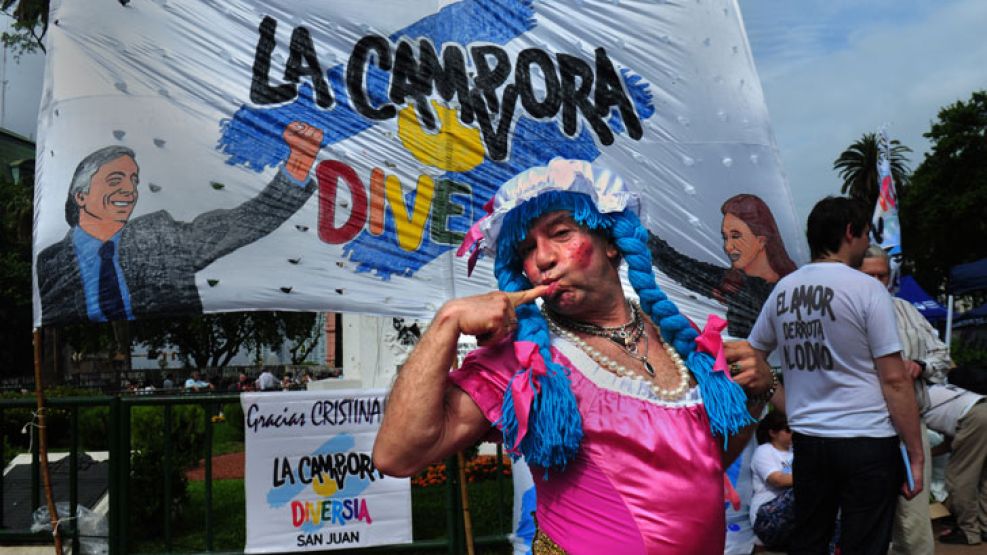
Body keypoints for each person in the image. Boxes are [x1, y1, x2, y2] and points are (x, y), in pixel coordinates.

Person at [373, 159, 774, 554]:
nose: (543, 259)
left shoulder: (677, 335)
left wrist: (757, 392)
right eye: (527, 249)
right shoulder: (522, 358)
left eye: (561, 234)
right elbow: (397, 455)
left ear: (612, 243)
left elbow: (703, 462)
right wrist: (446, 323)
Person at [747, 196, 924, 555]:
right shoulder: (868, 288)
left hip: (809, 443)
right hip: (867, 440)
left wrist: (782, 398)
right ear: (849, 232)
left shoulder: (783, 291)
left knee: (810, 540)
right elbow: (894, 380)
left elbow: (753, 359)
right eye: (863, 234)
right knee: (865, 544)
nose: (863, 243)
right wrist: (916, 453)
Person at [36, 121, 323, 326]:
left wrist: (296, 166)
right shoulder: (49, 264)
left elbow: (241, 223)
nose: (129, 190)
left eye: (133, 180)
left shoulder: (161, 236)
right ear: (81, 196)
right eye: (115, 180)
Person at [860, 244, 944, 553]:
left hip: (910, 424)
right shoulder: (840, 314)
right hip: (863, 428)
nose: (875, 282)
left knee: (914, 520)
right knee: (870, 520)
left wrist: (920, 366)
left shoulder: (904, 309)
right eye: (868, 275)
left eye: (881, 276)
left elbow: (941, 354)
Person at [648, 194, 797, 338]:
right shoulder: (732, 283)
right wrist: (641, 235)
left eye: (736, 236)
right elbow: (678, 264)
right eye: (725, 238)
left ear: (761, 240)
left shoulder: (792, 288)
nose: (728, 246)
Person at [749, 410, 794, 551]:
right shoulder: (764, 451)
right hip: (767, 514)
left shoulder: (797, 451)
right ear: (773, 432)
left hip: (791, 516)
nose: (793, 433)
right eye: (788, 429)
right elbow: (777, 480)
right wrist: (813, 477)